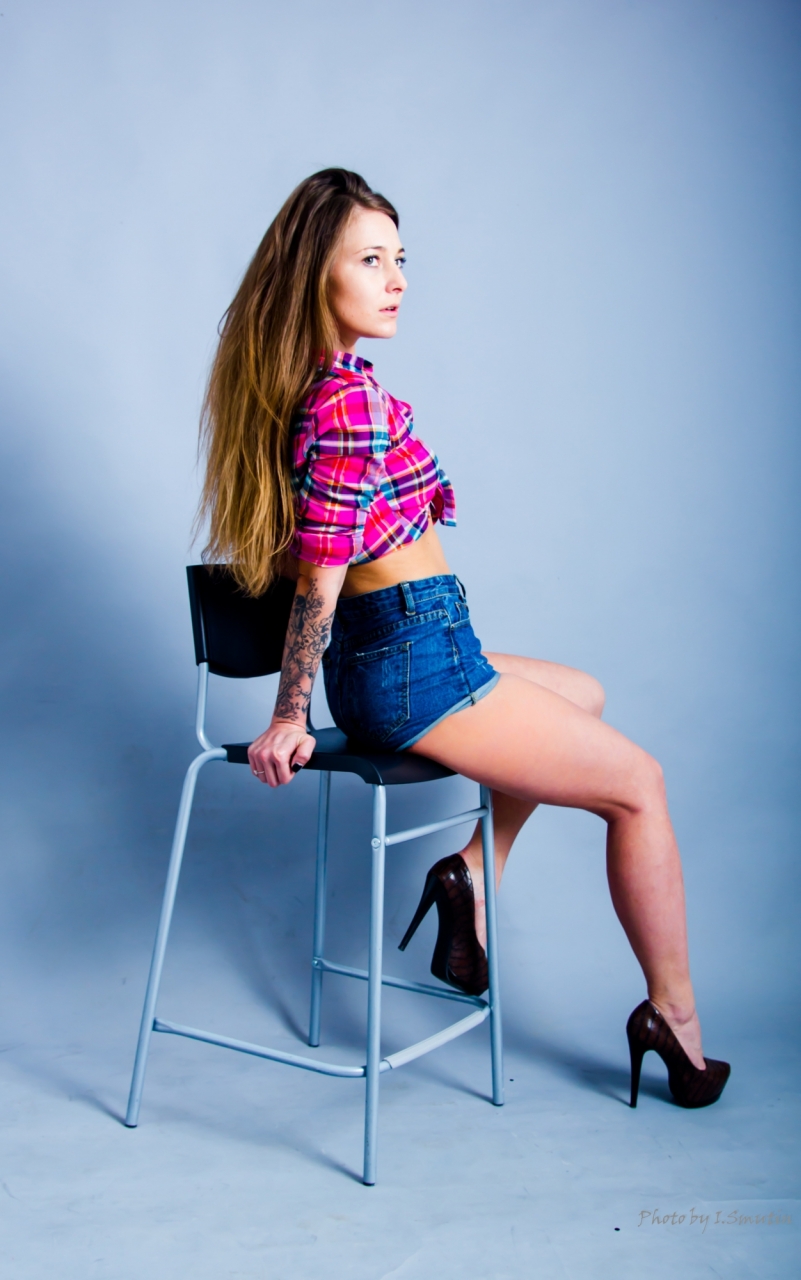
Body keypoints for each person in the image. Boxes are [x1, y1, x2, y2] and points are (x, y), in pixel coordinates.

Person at [197, 168, 730, 1110]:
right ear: (315, 274)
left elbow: (310, 559)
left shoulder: (313, 390)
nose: (397, 279)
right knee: (639, 787)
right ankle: (674, 1021)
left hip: (410, 648)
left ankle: (470, 879)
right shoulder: (344, 402)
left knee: (582, 693)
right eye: (370, 260)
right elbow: (320, 570)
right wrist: (288, 714)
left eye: (400, 259)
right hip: (410, 660)